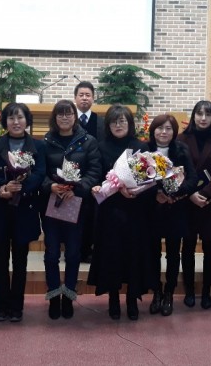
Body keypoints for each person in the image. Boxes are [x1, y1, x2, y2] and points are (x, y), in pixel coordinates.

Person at [0, 103, 46, 322]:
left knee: (20, 260)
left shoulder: (38, 145)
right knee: (0, 260)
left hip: (24, 209)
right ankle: (1, 306)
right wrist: (1, 187)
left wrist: (20, 188)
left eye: (20, 117)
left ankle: (17, 306)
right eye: (11, 118)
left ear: (27, 120)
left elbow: (40, 173)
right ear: (5, 121)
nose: (16, 122)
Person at [88, 104, 151, 321]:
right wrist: (98, 186)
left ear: (129, 123)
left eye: (122, 121)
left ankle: (132, 300)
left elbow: (148, 176)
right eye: (114, 121)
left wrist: (134, 189)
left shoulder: (140, 146)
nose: (118, 125)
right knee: (112, 255)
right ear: (108, 125)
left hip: (135, 210)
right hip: (110, 211)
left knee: (133, 255)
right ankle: (113, 299)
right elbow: (96, 173)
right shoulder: (100, 147)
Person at [42, 99, 101, 319]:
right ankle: (53, 295)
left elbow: (94, 171)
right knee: (51, 254)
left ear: (75, 117)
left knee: (74, 253)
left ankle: (68, 296)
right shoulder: (46, 141)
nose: (65, 117)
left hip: (77, 205)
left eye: (69, 114)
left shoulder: (88, 141)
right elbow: (40, 171)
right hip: (52, 204)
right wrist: (50, 186)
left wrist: (77, 189)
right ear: (54, 117)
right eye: (61, 114)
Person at [178, 100, 211, 310]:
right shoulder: (182, 138)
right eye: (199, 114)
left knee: (210, 247)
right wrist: (191, 193)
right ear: (193, 116)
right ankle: (190, 290)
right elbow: (178, 169)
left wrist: (205, 193)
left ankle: (207, 291)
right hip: (188, 201)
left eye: (207, 114)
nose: (203, 118)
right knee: (188, 247)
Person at [147, 114, 197, 316]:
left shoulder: (182, 150)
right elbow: (136, 179)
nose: (163, 132)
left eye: (168, 128)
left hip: (176, 209)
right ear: (153, 130)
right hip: (152, 210)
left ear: (174, 132)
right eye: (160, 128)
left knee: (173, 253)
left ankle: (169, 292)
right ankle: (156, 292)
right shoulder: (145, 150)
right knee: (152, 253)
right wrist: (156, 194)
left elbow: (192, 178)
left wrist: (175, 193)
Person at [74, 80, 104, 263]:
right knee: (74, 215)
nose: (84, 98)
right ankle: (73, 249)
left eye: (88, 95)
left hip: (94, 176)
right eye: (81, 95)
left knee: (91, 214)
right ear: (75, 98)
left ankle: (88, 249)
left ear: (93, 98)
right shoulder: (68, 120)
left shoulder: (101, 122)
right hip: (72, 177)